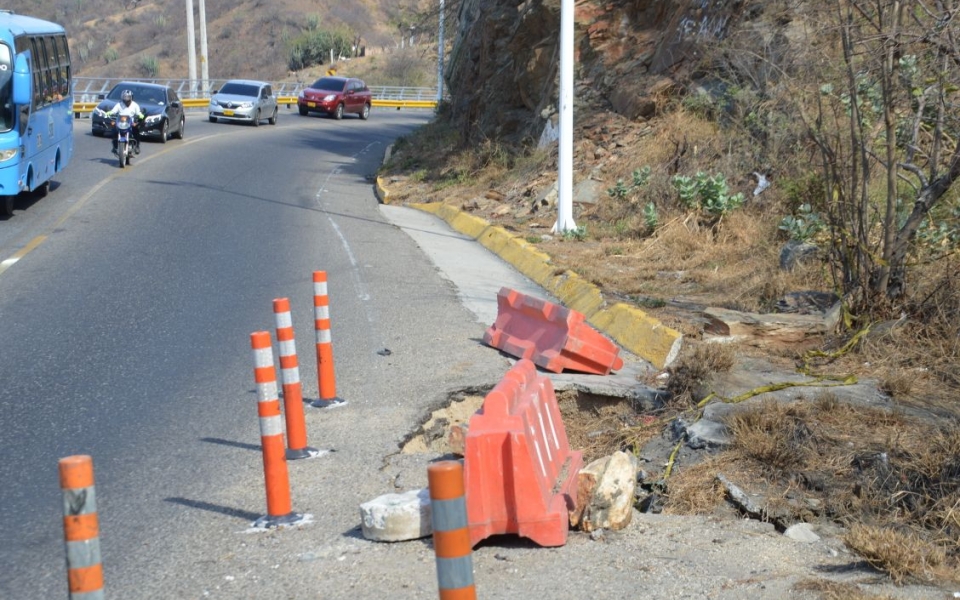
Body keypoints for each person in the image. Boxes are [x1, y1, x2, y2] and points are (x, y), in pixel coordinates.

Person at [105, 90, 145, 155]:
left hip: (130, 122)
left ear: (131, 97)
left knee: (136, 130)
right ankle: (115, 146)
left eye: (128, 97)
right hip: (120, 121)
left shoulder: (135, 105)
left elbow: (138, 113)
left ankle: (137, 146)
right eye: (125, 97)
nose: (126, 99)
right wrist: (109, 112)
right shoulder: (119, 104)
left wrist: (140, 115)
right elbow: (113, 111)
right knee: (114, 130)